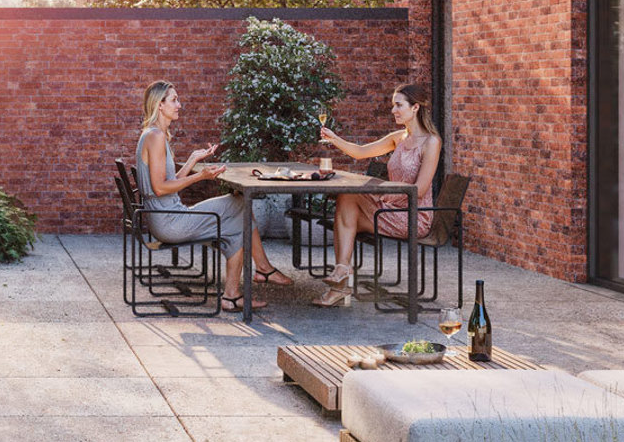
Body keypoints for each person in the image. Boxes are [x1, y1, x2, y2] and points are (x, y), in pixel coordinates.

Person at [134, 81, 289, 312]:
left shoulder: (154, 135)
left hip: (166, 217)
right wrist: (201, 177)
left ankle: (239, 289)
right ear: (160, 105)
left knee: (239, 218)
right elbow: (160, 188)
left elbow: (167, 183)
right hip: (170, 221)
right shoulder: (155, 136)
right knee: (239, 204)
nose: (180, 105)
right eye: (174, 100)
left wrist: (192, 160)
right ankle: (253, 278)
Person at [309, 83, 441, 308]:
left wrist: (382, 189)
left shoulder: (431, 142)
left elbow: (419, 189)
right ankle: (340, 278)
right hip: (387, 209)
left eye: (398, 105)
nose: (393, 110)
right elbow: (361, 152)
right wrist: (334, 139)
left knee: (349, 199)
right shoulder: (398, 138)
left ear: (415, 107)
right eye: (393, 105)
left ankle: (340, 280)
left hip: (413, 216)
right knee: (346, 202)